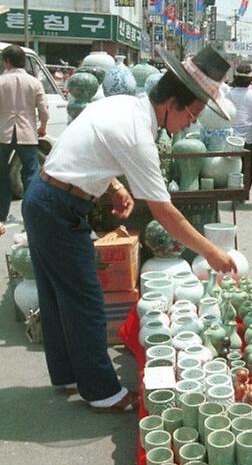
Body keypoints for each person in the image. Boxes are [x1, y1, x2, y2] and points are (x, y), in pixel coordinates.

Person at [23, 46, 237, 413]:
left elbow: (85, 147)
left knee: (58, 296)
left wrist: (114, 185)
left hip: (46, 197)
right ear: (172, 102)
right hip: (58, 207)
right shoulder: (138, 133)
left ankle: (69, 374)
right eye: (192, 114)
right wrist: (211, 251)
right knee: (87, 301)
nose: (191, 123)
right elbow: (166, 214)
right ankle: (102, 391)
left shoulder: (122, 105)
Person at [0, 44, 49, 227]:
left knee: (1, 173)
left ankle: (1, 215)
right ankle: (31, 213)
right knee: (30, 173)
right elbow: (43, 110)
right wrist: (42, 126)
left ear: (7, 62)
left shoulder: (0, 81)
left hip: (3, 134)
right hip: (27, 132)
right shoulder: (34, 82)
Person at [227, 61, 252, 192]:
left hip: (231, 138)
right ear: (250, 79)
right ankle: (245, 191)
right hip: (249, 137)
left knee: (232, 167)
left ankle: (233, 191)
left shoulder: (229, 94)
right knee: (248, 167)